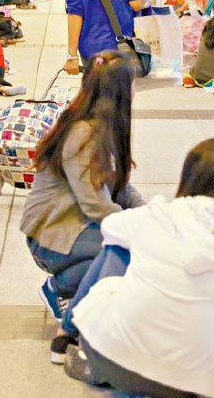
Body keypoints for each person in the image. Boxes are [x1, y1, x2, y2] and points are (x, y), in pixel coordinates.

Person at [60, 138, 214, 398]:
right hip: (186, 385)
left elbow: (110, 227)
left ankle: (72, 340)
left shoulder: (161, 214)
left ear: (190, 177)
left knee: (116, 249)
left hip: (112, 358)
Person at [20, 51, 143, 360]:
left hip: (74, 227)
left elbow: (121, 187)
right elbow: (97, 206)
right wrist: (141, 231)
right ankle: (64, 304)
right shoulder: (84, 135)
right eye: (133, 84)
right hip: (50, 236)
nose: (136, 90)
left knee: (123, 251)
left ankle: (65, 290)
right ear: (119, 92)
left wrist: (152, 215)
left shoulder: (102, 127)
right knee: (123, 252)